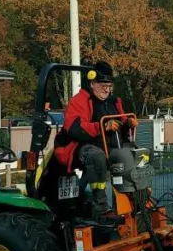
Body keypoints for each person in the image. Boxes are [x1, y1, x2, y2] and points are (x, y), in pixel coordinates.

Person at [53, 61, 137, 218]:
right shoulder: (79, 101)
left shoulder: (113, 102)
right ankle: (101, 205)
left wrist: (128, 124)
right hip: (83, 147)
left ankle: (137, 200)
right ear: (92, 83)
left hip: (110, 146)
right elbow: (75, 128)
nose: (107, 88)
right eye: (102, 84)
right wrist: (102, 127)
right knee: (97, 156)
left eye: (109, 85)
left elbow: (122, 120)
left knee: (135, 154)